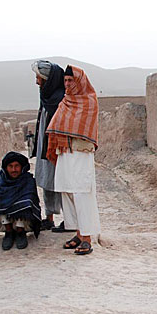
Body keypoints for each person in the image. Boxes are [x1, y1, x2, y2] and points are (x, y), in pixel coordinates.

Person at [45, 64, 101, 256]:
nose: (68, 84)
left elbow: (84, 128)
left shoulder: (89, 101)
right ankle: (78, 233)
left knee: (82, 193)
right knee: (67, 191)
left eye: (71, 80)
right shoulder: (65, 101)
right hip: (65, 153)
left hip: (80, 153)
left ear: (79, 81)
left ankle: (87, 238)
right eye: (65, 81)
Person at [31, 60, 73, 233]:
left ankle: (69, 219)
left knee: (62, 183)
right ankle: (49, 218)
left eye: (39, 78)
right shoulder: (46, 95)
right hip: (44, 146)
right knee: (47, 180)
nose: (36, 81)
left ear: (48, 79)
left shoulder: (61, 99)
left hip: (58, 148)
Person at [0, 151, 41, 250]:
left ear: (22, 167)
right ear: (6, 168)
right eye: (10, 166)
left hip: (23, 220)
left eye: (17, 166)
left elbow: (31, 198)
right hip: (5, 219)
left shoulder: (27, 179)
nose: (14, 169)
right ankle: (8, 232)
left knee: (26, 203)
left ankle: (20, 231)